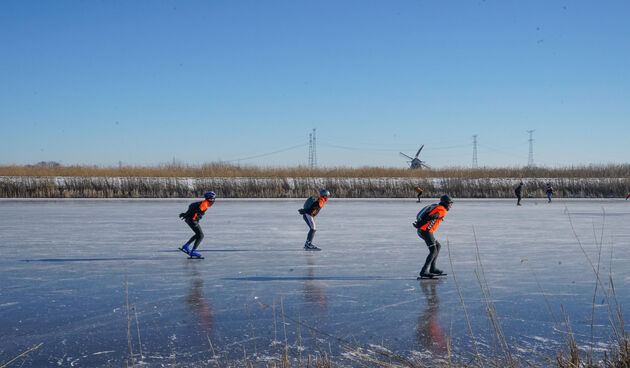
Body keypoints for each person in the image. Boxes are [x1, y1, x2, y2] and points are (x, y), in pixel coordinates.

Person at [414, 195, 453, 278]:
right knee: (433, 250)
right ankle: (424, 271)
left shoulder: (437, 206)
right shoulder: (442, 209)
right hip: (426, 231)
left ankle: (433, 268)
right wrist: (421, 223)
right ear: (445, 203)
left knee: (438, 246)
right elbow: (432, 216)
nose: (451, 205)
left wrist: (420, 223)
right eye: (450, 203)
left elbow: (430, 215)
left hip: (424, 231)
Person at [179, 191, 216, 258]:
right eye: (211, 199)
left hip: (191, 220)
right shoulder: (204, 204)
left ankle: (186, 246)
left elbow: (192, 206)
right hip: (192, 221)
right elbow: (194, 210)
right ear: (207, 198)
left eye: (214, 198)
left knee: (198, 234)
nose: (213, 200)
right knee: (201, 235)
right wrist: (186, 214)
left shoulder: (204, 203)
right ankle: (193, 251)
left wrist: (186, 214)